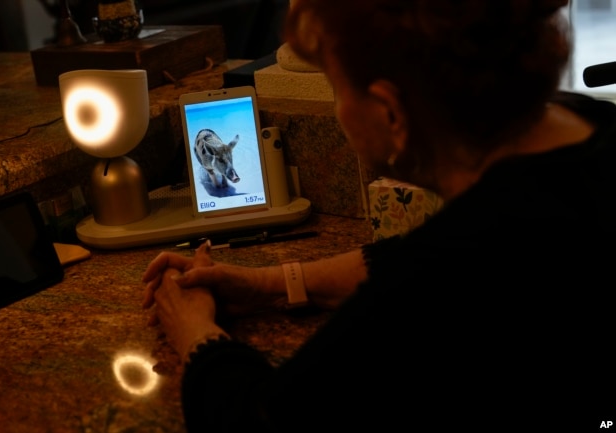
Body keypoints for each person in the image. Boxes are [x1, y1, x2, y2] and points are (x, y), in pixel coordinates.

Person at [142, 1, 616, 431]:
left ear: (391, 113)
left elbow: (260, 418)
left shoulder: (453, 268)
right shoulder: (587, 127)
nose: (340, 109)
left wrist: (194, 331)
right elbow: (435, 256)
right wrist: (270, 283)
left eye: (337, 87)